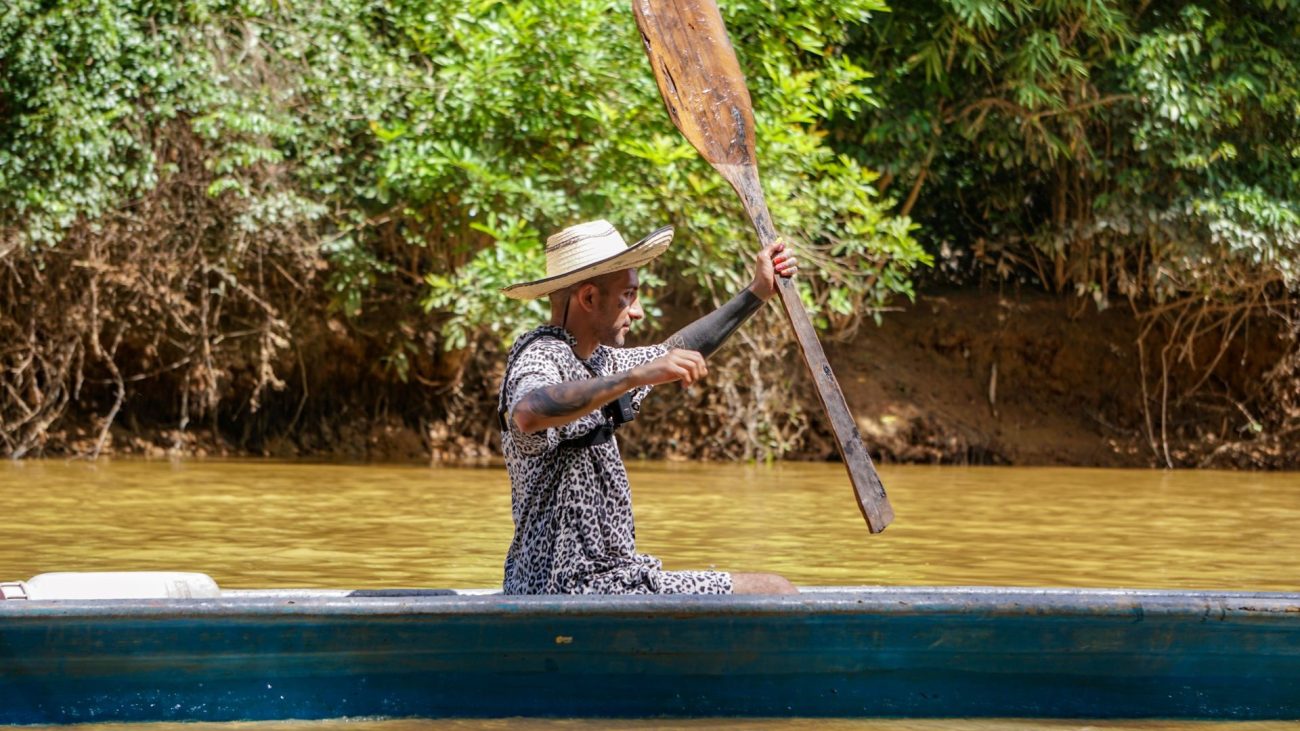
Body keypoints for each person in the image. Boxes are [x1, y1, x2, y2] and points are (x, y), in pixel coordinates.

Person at [497, 219, 800, 596]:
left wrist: (756, 292)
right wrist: (634, 377)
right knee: (774, 590)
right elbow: (528, 413)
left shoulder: (600, 361)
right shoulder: (541, 354)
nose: (636, 311)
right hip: (567, 586)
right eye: (628, 295)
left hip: (611, 580)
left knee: (775, 587)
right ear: (589, 299)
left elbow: (680, 349)